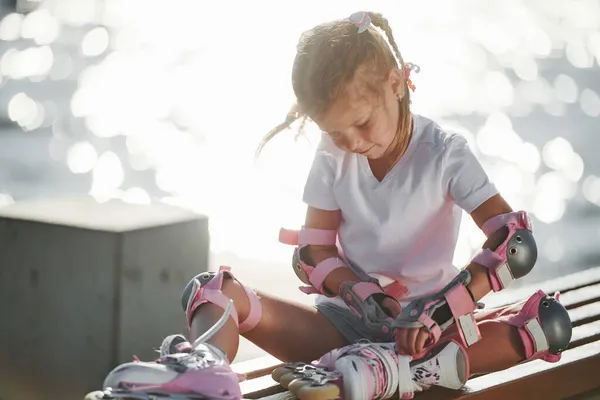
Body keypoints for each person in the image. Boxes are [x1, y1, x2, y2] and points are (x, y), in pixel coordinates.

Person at [96, 11, 573, 400]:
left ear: (397, 84)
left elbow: (514, 245)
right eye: (335, 132)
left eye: (362, 124)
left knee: (548, 324)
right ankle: (207, 370)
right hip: (347, 326)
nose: (352, 142)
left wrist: (437, 315)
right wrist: (364, 296)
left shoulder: (445, 152)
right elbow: (314, 254)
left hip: (428, 331)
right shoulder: (333, 155)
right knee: (213, 289)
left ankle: (396, 372)